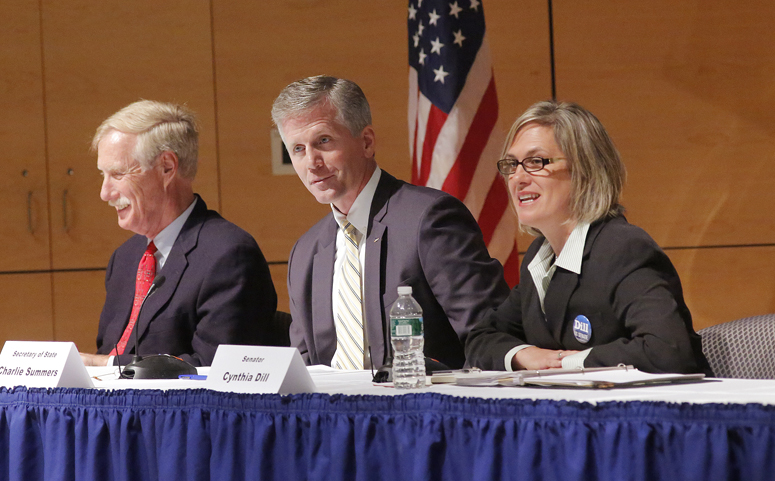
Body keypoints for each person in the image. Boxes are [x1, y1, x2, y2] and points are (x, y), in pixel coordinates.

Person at [272, 75, 510, 370]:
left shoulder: (429, 220)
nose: (311, 162)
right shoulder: (305, 252)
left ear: (367, 142)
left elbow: (489, 338)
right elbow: (306, 369)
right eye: (298, 149)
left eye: (323, 141)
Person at [465, 100, 711, 375]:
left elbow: (667, 350)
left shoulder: (622, 249)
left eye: (535, 162)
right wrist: (525, 354)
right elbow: (481, 338)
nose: (518, 177)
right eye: (512, 164)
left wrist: (569, 363)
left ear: (584, 169)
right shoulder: (540, 257)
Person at [80, 100, 277, 367]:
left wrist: (106, 366)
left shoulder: (229, 255)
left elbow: (218, 367)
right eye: (103, 175)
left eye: (118, 174)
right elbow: (109, 350)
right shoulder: (125, 258)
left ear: (167, 168)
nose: (105, 193)